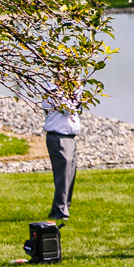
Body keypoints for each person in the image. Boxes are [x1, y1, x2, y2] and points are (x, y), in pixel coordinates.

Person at [42, 93, 80, 223]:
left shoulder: (68, 92)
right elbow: (68, 109)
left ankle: (63, 208)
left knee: (70, 174)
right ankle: (59, 211)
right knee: (63, 175)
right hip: (58, 137)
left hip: (69, 137)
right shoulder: (52, 92)